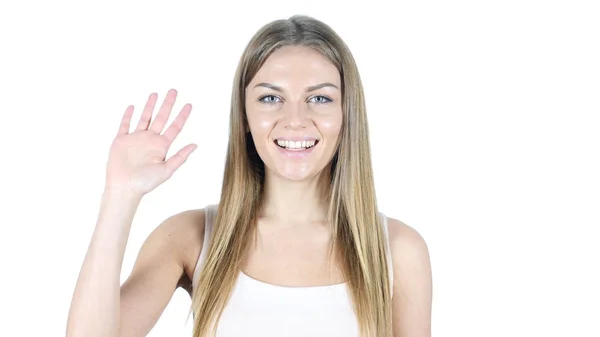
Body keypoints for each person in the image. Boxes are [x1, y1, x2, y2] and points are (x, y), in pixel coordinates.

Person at [66, 15, 432, 337]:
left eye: (319, 98)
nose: (295, 119)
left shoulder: (397, 251)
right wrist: (119, 195)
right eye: (271, 98)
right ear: (243, 116)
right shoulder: (191, 239)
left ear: (347, 114)